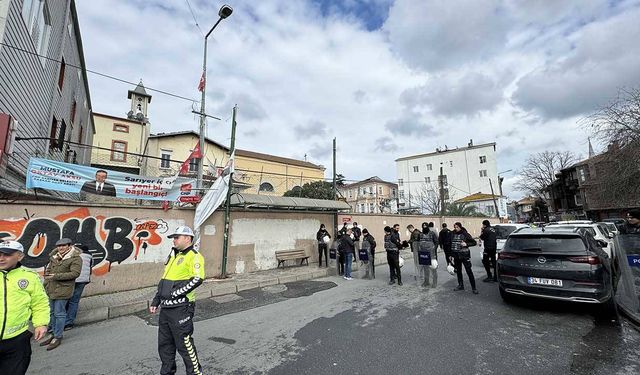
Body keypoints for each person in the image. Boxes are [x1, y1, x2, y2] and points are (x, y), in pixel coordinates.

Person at [149, 226, 205, 375]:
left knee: (184, 344)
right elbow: (164, 281)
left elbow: (198, 278)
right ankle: (167, 372)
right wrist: (156, 300)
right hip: (166, 310)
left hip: (181, 308)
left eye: (176, 237)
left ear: (188, 238)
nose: (174, 240)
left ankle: (195, 373)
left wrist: (176, 293)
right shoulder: (173, 255)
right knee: (165, 345)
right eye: (173, 238)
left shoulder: (194, 256)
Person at [0, 240, 50, 375]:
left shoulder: (30, 277)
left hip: (17, 341)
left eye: (7, 254)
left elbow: (39, 302)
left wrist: (41, 324)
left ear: (20, 256)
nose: (1, 258)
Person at [40, 238, 82, 350]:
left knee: (59, 313)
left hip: (63, 289)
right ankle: (53, 333)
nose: (61, 248)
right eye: (59, 246)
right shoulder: (55, 256)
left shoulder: (75, 258)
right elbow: (48, 270)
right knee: (52, 312)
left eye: (63, 245)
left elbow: (75, 273)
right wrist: (46, 283)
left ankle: (58, 336)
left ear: (69, 246)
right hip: (51, 288)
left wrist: (56, 276)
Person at [64, 244, 93, 330]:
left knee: (65, 299)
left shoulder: (72, 254)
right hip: (83, 280)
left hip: (71, 279)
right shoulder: (89, 256)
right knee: (74, 301)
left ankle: (61, 320)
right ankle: (69, 323)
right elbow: (90, 268)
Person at [449, 222, 478, 294]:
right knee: (458, 271)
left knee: (469, 271)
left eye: (457, 227)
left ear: (460, 227)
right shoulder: (452, 234)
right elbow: (451, 244)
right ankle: (460, 285)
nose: (456, 228)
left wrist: (466, 244)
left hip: (464, 255)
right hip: (456, 255)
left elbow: (474, 242)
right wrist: (451, 255)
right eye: (455, 227)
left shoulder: (465, 234)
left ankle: (474, 288)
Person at [420, 223, 439, 287]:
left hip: (431, 253)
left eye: (425, 226)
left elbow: (436, 242)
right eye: (423, 226)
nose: (424, 227)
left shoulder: (432, 233)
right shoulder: (421, 234)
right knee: (425, 268)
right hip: (424, 253)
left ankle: (435, 282)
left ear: (428, 227)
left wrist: (434, 249)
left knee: (433, 267)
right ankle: (426, 281)